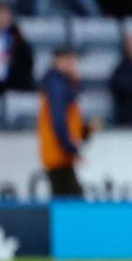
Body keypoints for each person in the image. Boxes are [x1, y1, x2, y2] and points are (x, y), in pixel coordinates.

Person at [38, 48, 89, 198]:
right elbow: (59, 121)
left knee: (66, 197)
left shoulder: (61, 85)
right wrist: (70, 148)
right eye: (70, 61)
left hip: (59, 154)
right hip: (59, 154)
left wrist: (85, 130)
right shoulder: (57, 86)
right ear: (59, 61)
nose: (74, 66)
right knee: (71, 201)